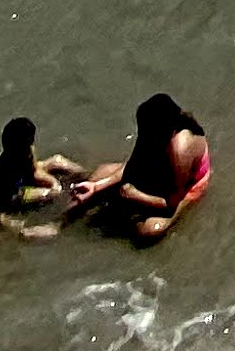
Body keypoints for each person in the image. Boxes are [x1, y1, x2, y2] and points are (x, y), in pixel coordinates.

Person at [69, 93, 211, 243]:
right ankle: (61, 217)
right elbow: (132, 166)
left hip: (186, 187)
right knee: (99, 175)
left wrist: (136, 195)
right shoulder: (151, 132)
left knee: (150, 230)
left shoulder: (180, 150)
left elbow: (172, 202)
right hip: (162, 169)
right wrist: (96, 187)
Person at [0, 116, 80, 236]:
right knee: (51, 193)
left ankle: (86, 176)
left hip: (22, 179)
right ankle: (71, 207)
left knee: (58, 161)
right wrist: (8, 223)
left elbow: (34, 172)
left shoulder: (27, 151)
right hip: (12, 195)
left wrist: (52, 182)